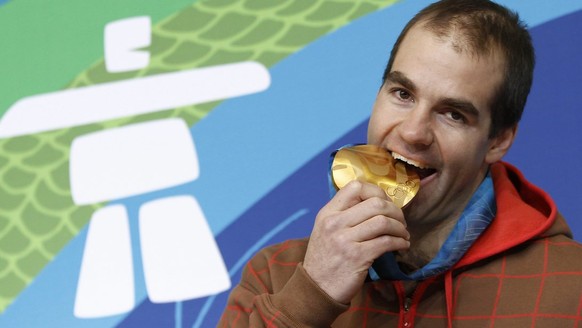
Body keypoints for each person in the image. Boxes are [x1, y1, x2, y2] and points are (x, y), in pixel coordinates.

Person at [218, 0, 582, 327]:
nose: (412, 132)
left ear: (498, 140)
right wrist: (311, 296)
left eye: (453, 114)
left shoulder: (570, 289)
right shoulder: (276, 274)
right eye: (403, 94)